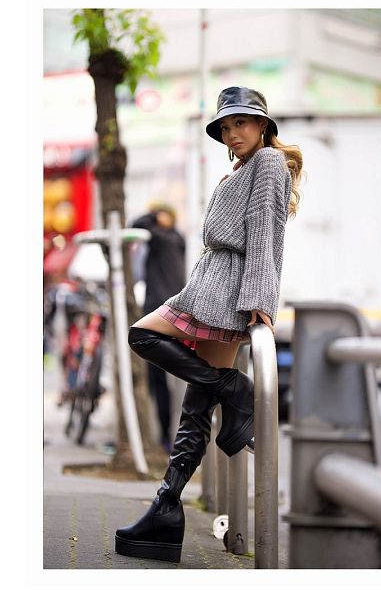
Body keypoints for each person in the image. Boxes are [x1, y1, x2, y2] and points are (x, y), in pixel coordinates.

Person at [114, 86, 303, 563]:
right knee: (196, 408)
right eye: (226, 126)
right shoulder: (240, 169)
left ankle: (232, 388)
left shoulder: (268, 164)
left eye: (242, 122)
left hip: (224, 294)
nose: (233, 133)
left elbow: (266, 235)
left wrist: (259, 299)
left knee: (142, 334)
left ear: (263, 125)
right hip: (210, 285)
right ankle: (166, 509)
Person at [131, 204, 186, 453]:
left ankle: (164, 436)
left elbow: (136, 224)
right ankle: (169, 435)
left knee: (158, 380)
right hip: (176, 315)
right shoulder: (177, 239)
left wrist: (153, 216)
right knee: (171, 379)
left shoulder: (159, 238)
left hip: (157, 315)